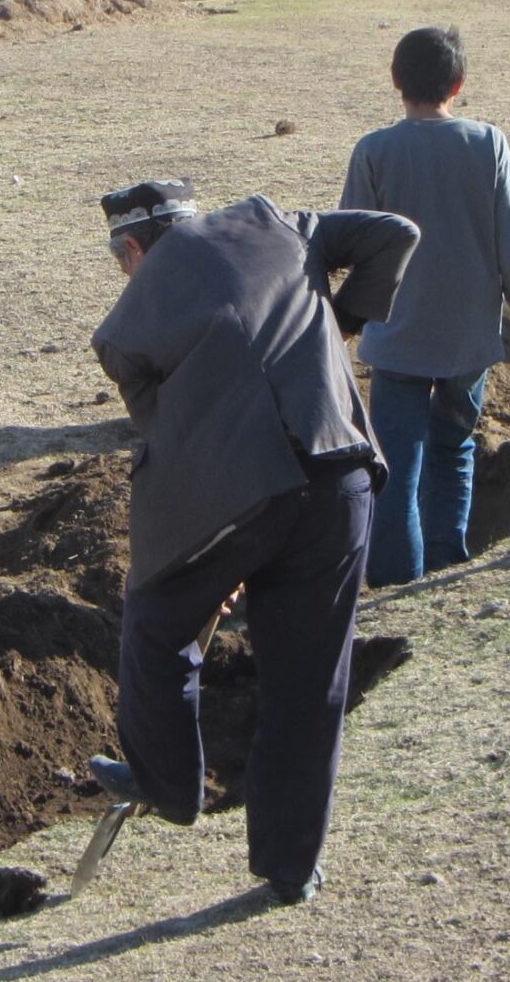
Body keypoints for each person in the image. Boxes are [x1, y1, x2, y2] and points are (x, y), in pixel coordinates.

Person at [84, 181, 417, 905]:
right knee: (309, 683)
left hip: (237, 499)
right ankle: (290, 868)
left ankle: (165, 784)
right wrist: (336, 320)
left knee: (155, 623)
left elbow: (164, 436)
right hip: (340, 478)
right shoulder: (277, 223)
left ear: (135, 249)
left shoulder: (123, 328)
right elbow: (395, 233)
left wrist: (214, 549)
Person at [341, 27, 510, 586]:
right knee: (455, 449)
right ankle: (449, 569)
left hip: (398, 338)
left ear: (396, 83)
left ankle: (398, 579)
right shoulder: (488, 144)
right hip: (467, 338)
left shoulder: (373, 152)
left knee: (396, 467)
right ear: (458, 84)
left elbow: (349, 242)